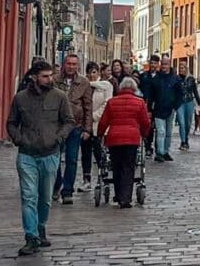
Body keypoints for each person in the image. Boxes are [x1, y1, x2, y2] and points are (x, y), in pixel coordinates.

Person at [7, 60, 74, 256]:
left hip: (50, 154)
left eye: (51, 75)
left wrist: (59, 138)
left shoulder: (59, 97)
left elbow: (69, 121)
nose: (49, 79)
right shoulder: (20, 98)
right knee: (28, 196)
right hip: (27, 154)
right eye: (45, 76)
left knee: (45, 198)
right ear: (35, 77)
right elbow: (11, 123)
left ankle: (41, 226)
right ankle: (31, 236)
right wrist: (19, 139)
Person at [96, 79, 150, 209]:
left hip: (114, 138)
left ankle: (119, 195)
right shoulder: (140, 102)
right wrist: (145, 134)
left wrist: (100, 134)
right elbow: (145, 122)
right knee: (128, 167)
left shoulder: (112, 102)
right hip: (131, 138)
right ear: (134, 88)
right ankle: (125, 198)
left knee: (116, 166)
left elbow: (104, 122)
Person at [52, 53, 92, 204]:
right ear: (64, 64)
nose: (71, 67)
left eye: (74, 64)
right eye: (69, 64)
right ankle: (56, 184)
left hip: (76, 125)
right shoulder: (55, 80)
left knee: (72, 159)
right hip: (57, 125)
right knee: (55, 158)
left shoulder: (83, 82)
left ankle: (67, 190)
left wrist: (87, 129)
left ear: (78, 66)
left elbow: (88, 106)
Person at [80, 62, 112, 191]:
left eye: (93, 72)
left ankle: (103, 176)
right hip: (85, 125)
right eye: (88, 73)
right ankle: (86, 179)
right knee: (85, 152)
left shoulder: (106, 86)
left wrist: (94, 116)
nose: (91, 75)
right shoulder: (83, 86)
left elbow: (107, 103)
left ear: (98, 73)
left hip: (99, 123)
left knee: (99, 152)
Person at [147, 54, 182, 162]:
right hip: (158, 109)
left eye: (166, 64)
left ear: (169, 65)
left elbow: (179, 94)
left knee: (168, 132)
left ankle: (166, 151)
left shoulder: (175, 78)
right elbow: (151, 95)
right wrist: (149, 109)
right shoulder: (156, 78)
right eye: (163, 64)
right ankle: (160, 152)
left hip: (170, 109)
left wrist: (175, 106)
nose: (164, 66)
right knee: (161, 131)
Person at [138, 55, 160, 156]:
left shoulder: (161, 76)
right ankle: (148, 146)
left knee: (159, 127)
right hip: (147, 104)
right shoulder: (144, 76)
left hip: (158, 105)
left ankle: (158, 146)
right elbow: (139, 89)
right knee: (149, 126)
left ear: (158, 64)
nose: (153, 65)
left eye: (155, 63)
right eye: (152, 63)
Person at [176, 62, 200, 149]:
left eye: (183, 68)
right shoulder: (177, 79)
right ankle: (183, 142)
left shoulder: (191, 79)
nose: (181, 69)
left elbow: (195, 92)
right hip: (180, 103)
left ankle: (186, 139)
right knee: (182, 123)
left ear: (186, 69)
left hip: (189, 102)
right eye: (180, 68)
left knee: (188, 123)